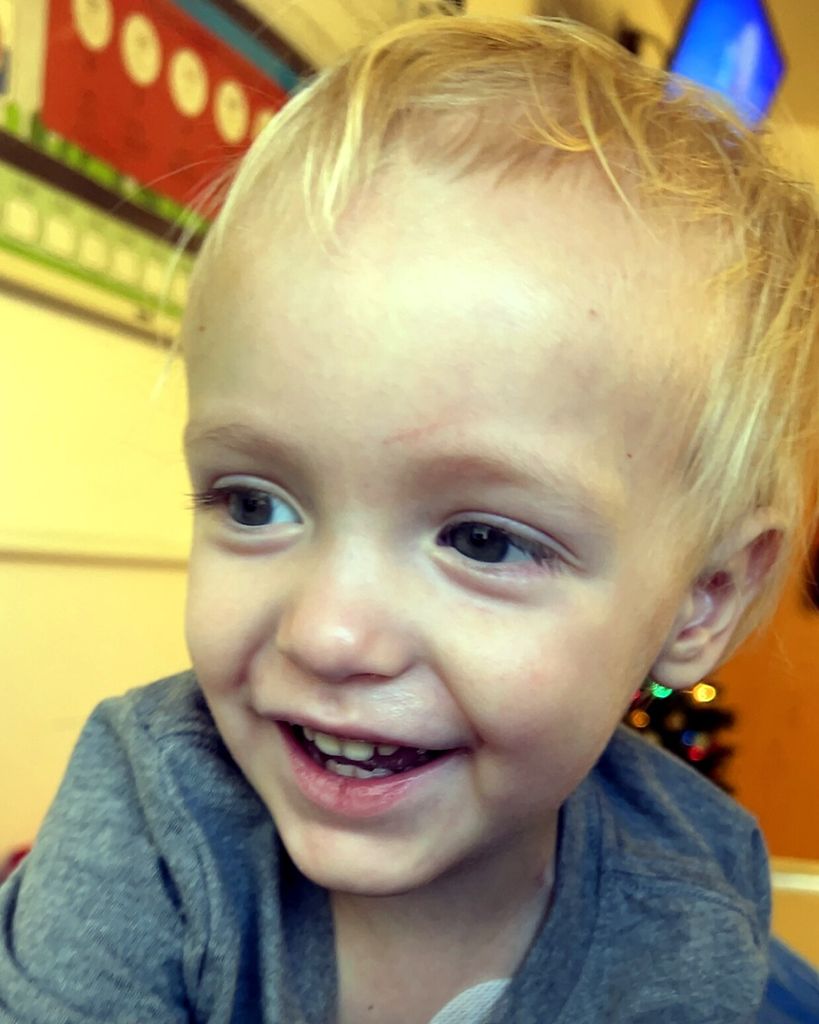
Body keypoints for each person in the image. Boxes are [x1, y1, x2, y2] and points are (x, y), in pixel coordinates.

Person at [1, 14, 818, 1024]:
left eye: (482, 540)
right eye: (255, 504)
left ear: (703, 599)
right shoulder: (153, 809)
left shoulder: (692, 899)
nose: (327, 635)